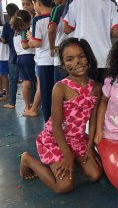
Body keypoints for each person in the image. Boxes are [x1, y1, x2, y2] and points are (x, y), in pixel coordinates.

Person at [20, 37, 103, 194]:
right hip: (56, 140)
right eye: (70, 59)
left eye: (82, 56)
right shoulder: (60, 88)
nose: (77, 62)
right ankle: (27, 159)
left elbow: (93, 121)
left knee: (96, 174)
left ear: (89, 58)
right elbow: (56, 126)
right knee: (63, 186)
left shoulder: (96, 87)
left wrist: (90, 147)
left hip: (78, 139)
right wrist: (67, 155)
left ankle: (76, 159)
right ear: (64, 65)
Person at [62, 0, 118, 84]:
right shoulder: (111, 2)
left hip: (82, 59)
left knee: (83, 96)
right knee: (104, 95)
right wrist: (103, 31)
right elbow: (116, 33)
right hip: (105, 59)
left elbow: (67, 29)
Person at [27, 0, 53, 122]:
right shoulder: (57, 15)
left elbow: (36, 43)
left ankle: (49, 125)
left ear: (37, 2)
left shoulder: (37, 20)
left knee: (46, 94)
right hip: (58, 62)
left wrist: (30, 36)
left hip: (44, 62)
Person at [49, 0, 77, 83]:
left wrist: (52, 46)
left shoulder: (58, 9)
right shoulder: (77, 8)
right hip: (76, 54)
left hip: (61, 55)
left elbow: (51, 29)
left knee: (61, 87)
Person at [10, 10, 36, 113]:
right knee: (35, 81)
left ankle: (27, 106)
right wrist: (33, 42)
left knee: (25, 82)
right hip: (28, 57)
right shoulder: (24, 31)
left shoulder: (15, 33)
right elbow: (25, 46)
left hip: (19, 58)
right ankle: (35, 104)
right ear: (28, 21)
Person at [0, 3, 19, 108]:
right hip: (26, 53)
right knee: (29, 79)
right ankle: (31, 101)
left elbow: (4, 40)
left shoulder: (7, 25)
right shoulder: (22, 21)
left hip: (12, 54)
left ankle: (11, 102)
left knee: (13, 79)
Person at [0, 22, 9, 98]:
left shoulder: (3, 28)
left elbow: (5, 41)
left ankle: (7, 94)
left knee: (4, 75)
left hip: (3, 56)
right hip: (2, 56)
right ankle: (1, 91)